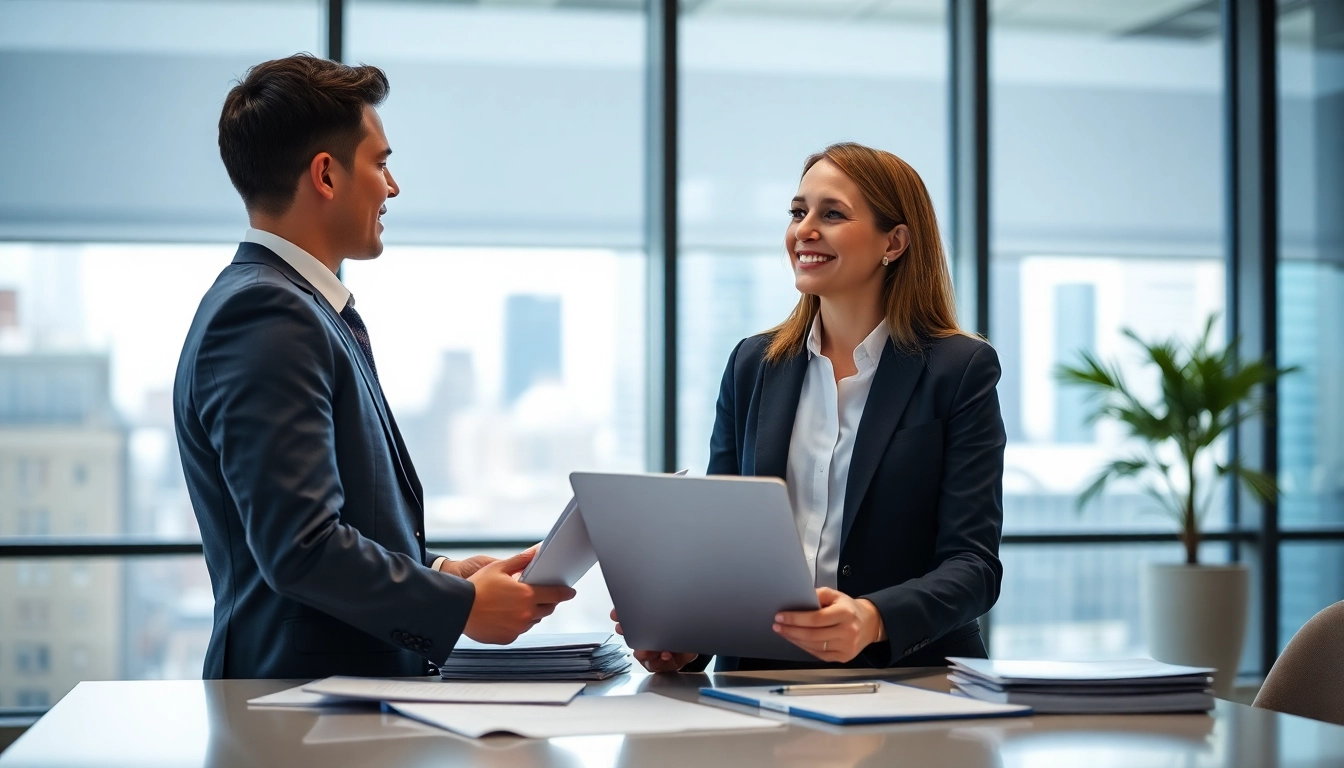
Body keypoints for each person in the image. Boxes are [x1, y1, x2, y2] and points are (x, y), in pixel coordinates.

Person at [174, 54, 574, 680]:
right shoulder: (265, 312)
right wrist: (461, 608)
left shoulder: (295, 306)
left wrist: (438, 572)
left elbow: (336, 522)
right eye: (381, 163)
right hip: (295, 711)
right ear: (326, 175)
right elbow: (301, 548)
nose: (393, 187)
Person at [618, 142, 1005, 673]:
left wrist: (872, 617)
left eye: (832, 214)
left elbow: (973, 566)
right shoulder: (753, 364)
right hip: (757, 679)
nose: (805, 230)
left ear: (894, 242)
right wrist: (688, 636)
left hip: (907, 680)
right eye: (799, 212)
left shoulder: (960, 369)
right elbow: (727, 544)